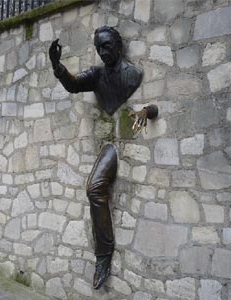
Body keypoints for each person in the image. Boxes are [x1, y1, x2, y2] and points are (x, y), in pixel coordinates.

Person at [49, 26, 158, 289]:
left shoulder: (133, 74)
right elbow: (74, 84)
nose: (102, 52)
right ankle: (104, 255)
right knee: (93, 188)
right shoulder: (97, 74)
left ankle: (103, 255)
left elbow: (152, 109)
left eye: (106, 46)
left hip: (123, 143)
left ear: (119, 46)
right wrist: (57, 66)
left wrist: (146, 110)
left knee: (93, 187)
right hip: (108, 144)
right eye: (98, 47)